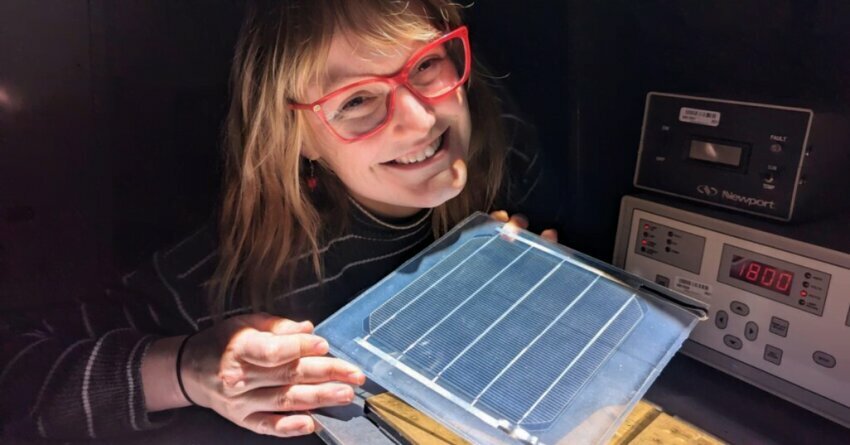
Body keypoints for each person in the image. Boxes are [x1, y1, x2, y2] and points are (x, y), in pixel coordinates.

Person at [0, 0, 555, 441]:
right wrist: (188, 370)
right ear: (300, 140)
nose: (419, 119)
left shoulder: (507, 148)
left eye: (426, 63)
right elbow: (17, 377)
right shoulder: (229, 278)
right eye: (357, 100)